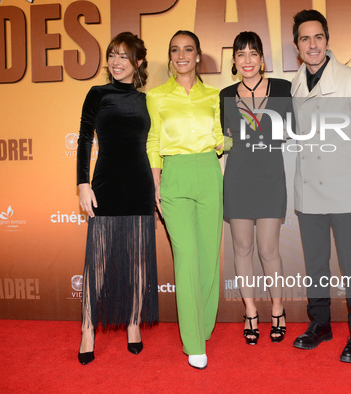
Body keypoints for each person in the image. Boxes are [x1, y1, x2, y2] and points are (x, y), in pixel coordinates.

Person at [289, 10, 351, 363]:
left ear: (327, 40)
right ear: (297, 45)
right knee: (315, 263)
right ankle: (321, 325)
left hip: (346, 189)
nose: (312, 45)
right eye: (304, 39)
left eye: (318, 37)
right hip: (308, 190)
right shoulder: (295, 84)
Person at [76, 32, 158, 365]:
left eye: (124, 56)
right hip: (106, 183)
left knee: (138, 261)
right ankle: (87, 328)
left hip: (139, 185)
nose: (116, 62)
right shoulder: (97, 94)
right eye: (112, 55)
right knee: (98, 262)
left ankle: (134, 323)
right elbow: (83, 140)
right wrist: (82, 183)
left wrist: (158, 186)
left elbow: (155, 146)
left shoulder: (147, 100)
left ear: (138, 62)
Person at [146, 30, 224, 370]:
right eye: (175, 49)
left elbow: (220, 138)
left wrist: (244, 140)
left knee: (209, 258)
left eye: (187, 49)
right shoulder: (156, 96)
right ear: (171, 57)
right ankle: (193, 341)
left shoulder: (214, 95)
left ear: (198, 56)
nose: (181, 55)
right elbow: (152, 141)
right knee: (187, 258)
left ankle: (203, 325)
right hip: (174, 175)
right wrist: (156, 183)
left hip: (209, 172)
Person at [220, 31, 292, 345]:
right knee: (242, 249)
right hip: (237, 179)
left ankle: (278, 309)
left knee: (268, 250)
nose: (247, 60)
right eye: (240, 54)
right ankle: (250, 311)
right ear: (234, 61)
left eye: (253, 53)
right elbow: (222, 140)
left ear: (262, 59)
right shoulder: (223, 95)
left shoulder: (282, 89)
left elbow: (291, 132)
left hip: (269, 178)